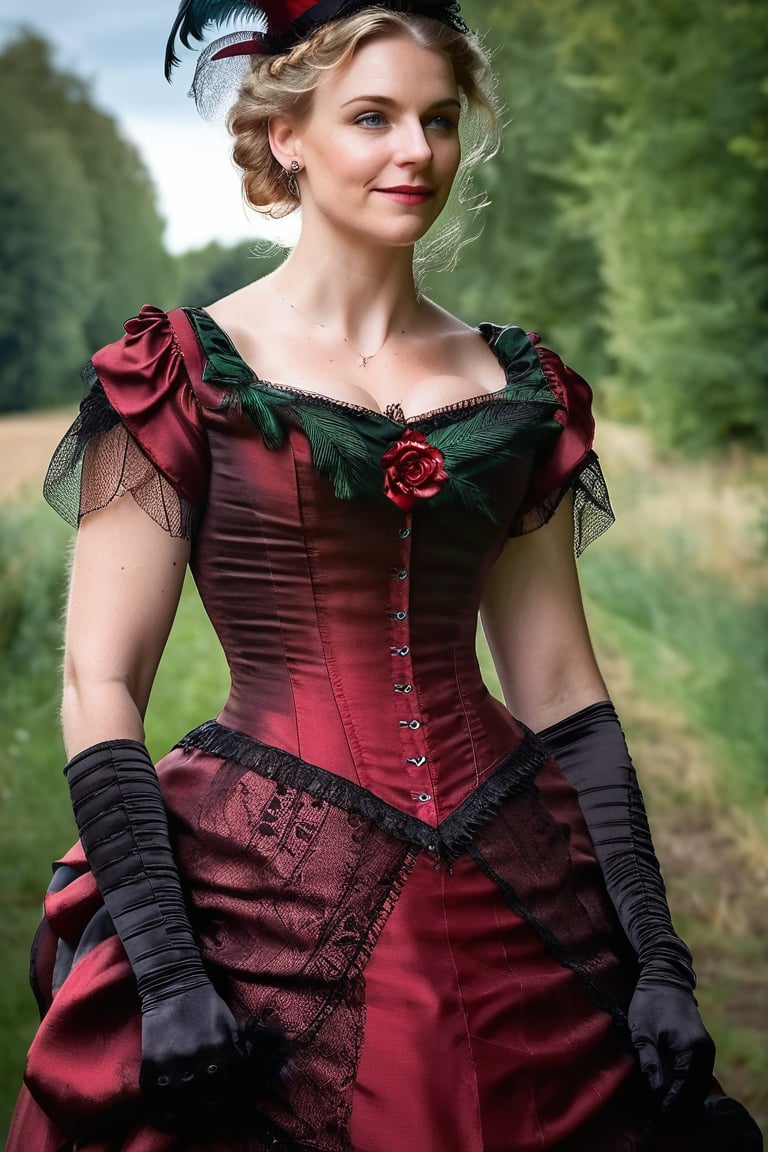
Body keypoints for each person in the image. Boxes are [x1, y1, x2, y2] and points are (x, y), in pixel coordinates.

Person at [7, 2, 763, 1150]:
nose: (417, 152)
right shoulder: (178, 370)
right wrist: (164, 970)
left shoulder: (517, 389)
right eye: (374, 117)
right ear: (286, 137)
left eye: (440, 118)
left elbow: (559, 686)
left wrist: (655, 953)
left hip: (512, 866)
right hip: (257, 883)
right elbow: (98, 680)